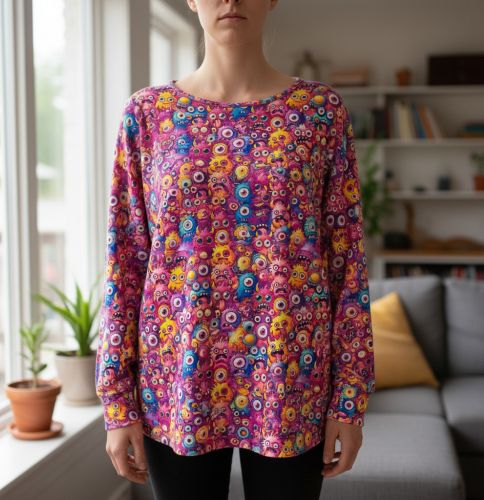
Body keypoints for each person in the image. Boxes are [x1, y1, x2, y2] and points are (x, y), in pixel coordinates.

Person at [94, 0, 376, 498]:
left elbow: (346, 261)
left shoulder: (319, 112)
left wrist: (349, 399)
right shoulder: (148, 114)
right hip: (178, 378)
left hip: (291, 376)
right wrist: (117, 401)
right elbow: (127, 261)